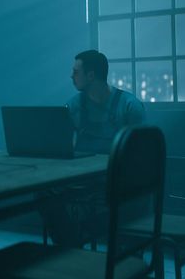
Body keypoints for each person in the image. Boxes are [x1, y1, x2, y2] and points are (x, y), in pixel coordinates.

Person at [40, 49, 146, 247]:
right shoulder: (72, 107)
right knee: (45, 194)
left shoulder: (129, 107)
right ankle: (70, 249)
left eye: (76, 72)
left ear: (91, 75)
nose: (72, 76)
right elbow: (59, 145)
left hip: (118, 182)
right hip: (84, 180)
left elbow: (141, 158)